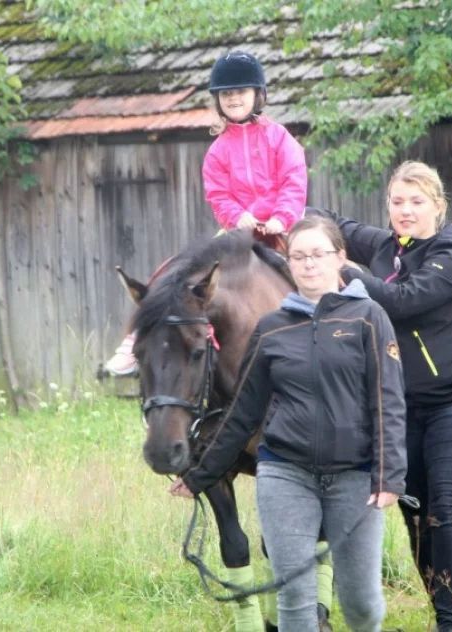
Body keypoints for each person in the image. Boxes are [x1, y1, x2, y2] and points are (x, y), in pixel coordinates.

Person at [169, 216, 408, 632]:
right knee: (295, 605)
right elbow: (242, 412)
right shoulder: (272, 328)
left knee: (362, 606)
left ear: (340, 259)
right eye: (298, 256)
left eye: (318, 254)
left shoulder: (370, 317)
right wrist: (200, 475)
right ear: (290, 263)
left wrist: (388, 475)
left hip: (354, 477)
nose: (308, 264)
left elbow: (388, 399)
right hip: (285, 476)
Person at [308, 160, 452, 631]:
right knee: (416, 515)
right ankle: (439, 607)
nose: (405, 211)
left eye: (416, 201)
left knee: (447, 507)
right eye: (397, 202)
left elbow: (403, 300)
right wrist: (292, 214)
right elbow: (335, 223)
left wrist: (345, 269)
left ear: (438, 205)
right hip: (402, 408)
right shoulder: (388, 246)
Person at [104, 49, 307, 376]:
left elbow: (293, 180)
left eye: (241, 92)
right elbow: (218, 194)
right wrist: (236, 217)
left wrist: (280, 218)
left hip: (282, 227)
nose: (234, 98)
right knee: (174, 269)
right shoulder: (217, 151)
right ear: (217, 101)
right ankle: (135, 337)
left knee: (314, 266)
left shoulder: (280, 138)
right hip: (235, 232)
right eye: (226, 94)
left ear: (258, 95)